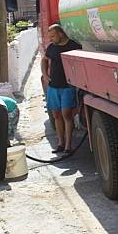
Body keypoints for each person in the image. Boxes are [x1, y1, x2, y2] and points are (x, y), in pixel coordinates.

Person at [40, 24, 82, 153]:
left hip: (67, 87)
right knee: (56, 115)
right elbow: (44, 60)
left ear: (60, 34)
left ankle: (69, 145)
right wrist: (45, 75)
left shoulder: (73, 46)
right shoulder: (52, 47)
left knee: (67, 115)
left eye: (53, 36)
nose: (51, 39)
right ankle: (60, 143)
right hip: (53, 87)